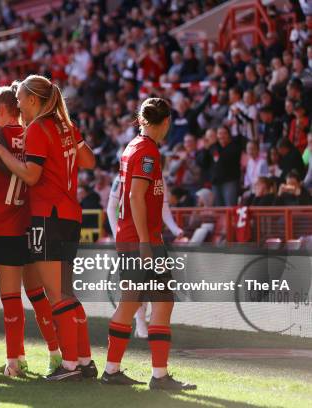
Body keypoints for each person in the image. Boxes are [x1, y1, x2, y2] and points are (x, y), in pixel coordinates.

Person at [0, 75, 96, 381]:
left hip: (47, 216)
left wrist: (0, 152)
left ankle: (68, 366)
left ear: (32, 100)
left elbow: (30, 176)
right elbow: (89, 160)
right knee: (67, 292)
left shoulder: (39, 129)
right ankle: (84, 359)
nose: (18, 106)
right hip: (70, 215)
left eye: (20, 101)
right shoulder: (66, 126)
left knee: (56, 296)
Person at [103, 97, 196, 390]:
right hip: (141, 240)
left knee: (147, 302)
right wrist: (145, 242)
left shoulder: (133, 146)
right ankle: (153, 375)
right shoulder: (147, 152)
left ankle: (121, 370)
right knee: (146, 302)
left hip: (133, 237)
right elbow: (134, 197)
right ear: (166, 122)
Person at [106, 173, 184, 339]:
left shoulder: (160, 179)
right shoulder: (120, 178)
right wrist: (116, 235)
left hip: (154, 238)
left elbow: (164, 209)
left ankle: (148, 324)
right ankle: (139, 323)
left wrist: (176, 229)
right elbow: (111, 208)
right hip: (130, 238)